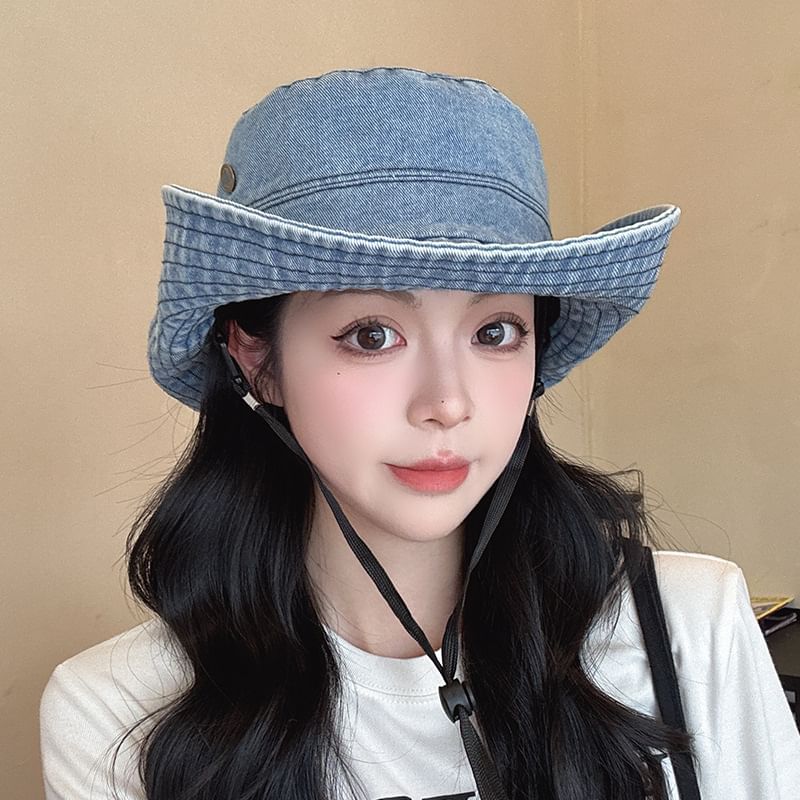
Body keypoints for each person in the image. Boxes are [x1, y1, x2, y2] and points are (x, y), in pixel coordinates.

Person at [39, 66, 800, 800]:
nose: (447, 403)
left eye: (495, 331)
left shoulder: (688, 627)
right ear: (257, 361)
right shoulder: (118, 714)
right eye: (372, 334)